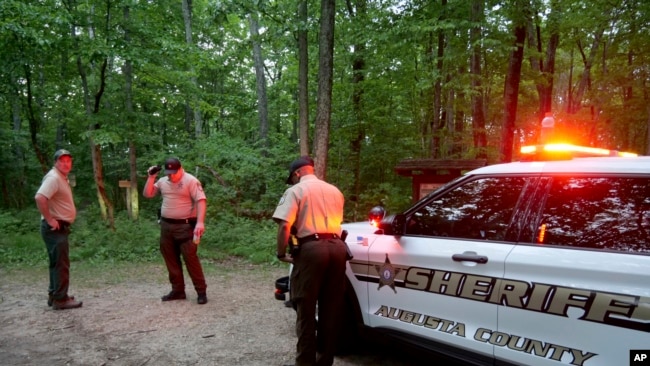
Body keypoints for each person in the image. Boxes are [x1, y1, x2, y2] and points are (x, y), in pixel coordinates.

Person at [272, 156, 347, 366]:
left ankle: (305, 362)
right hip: (338, 248)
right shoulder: (335, 191)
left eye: (293, 177)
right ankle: (324, 361)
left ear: (297, 173)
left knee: (305, 307)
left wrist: (281, 254)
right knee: (330, 309)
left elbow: (285, 226)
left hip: (312, 250)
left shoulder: (296, 191)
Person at [143, 157, 208, 305]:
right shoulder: (163, 181)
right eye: (169, 172)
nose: (171, 175)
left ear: (180, 169)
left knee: (191, 259)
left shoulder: (190, 181)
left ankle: (201, 291)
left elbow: (201, 200)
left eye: (174, 172)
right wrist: (151, 177)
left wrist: (200, 223)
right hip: (167, 227)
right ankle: (178, 290)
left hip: (185, 227)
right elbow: (148, 194)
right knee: (171, 260)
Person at [35, 149, 83, 310]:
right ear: (55, 162)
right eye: (62, 161)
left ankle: (55, 294)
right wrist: (49, 219)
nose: (65, 164)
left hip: (59, 228)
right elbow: (40, 197)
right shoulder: (54, 178)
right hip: (55, 229)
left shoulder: (61, 177)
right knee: (61, 264)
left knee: (56, 262)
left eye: (68, 161)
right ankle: (60, 299)